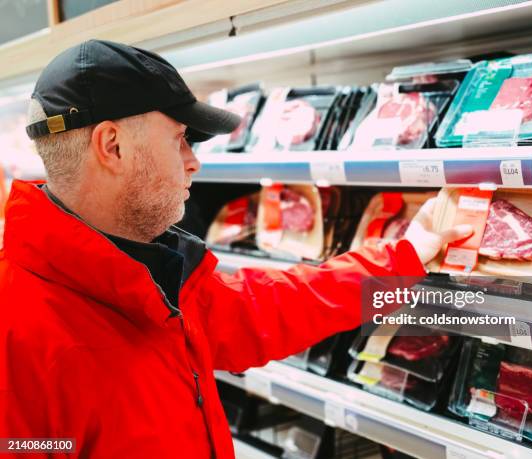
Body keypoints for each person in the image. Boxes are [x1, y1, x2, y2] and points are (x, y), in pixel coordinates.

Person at [0, 40, 472, 458]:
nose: (194, 163)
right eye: (180, 139)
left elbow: (270, 307)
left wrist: (404, 258)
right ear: (113, 146)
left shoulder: (151, 280)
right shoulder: (16, 338)